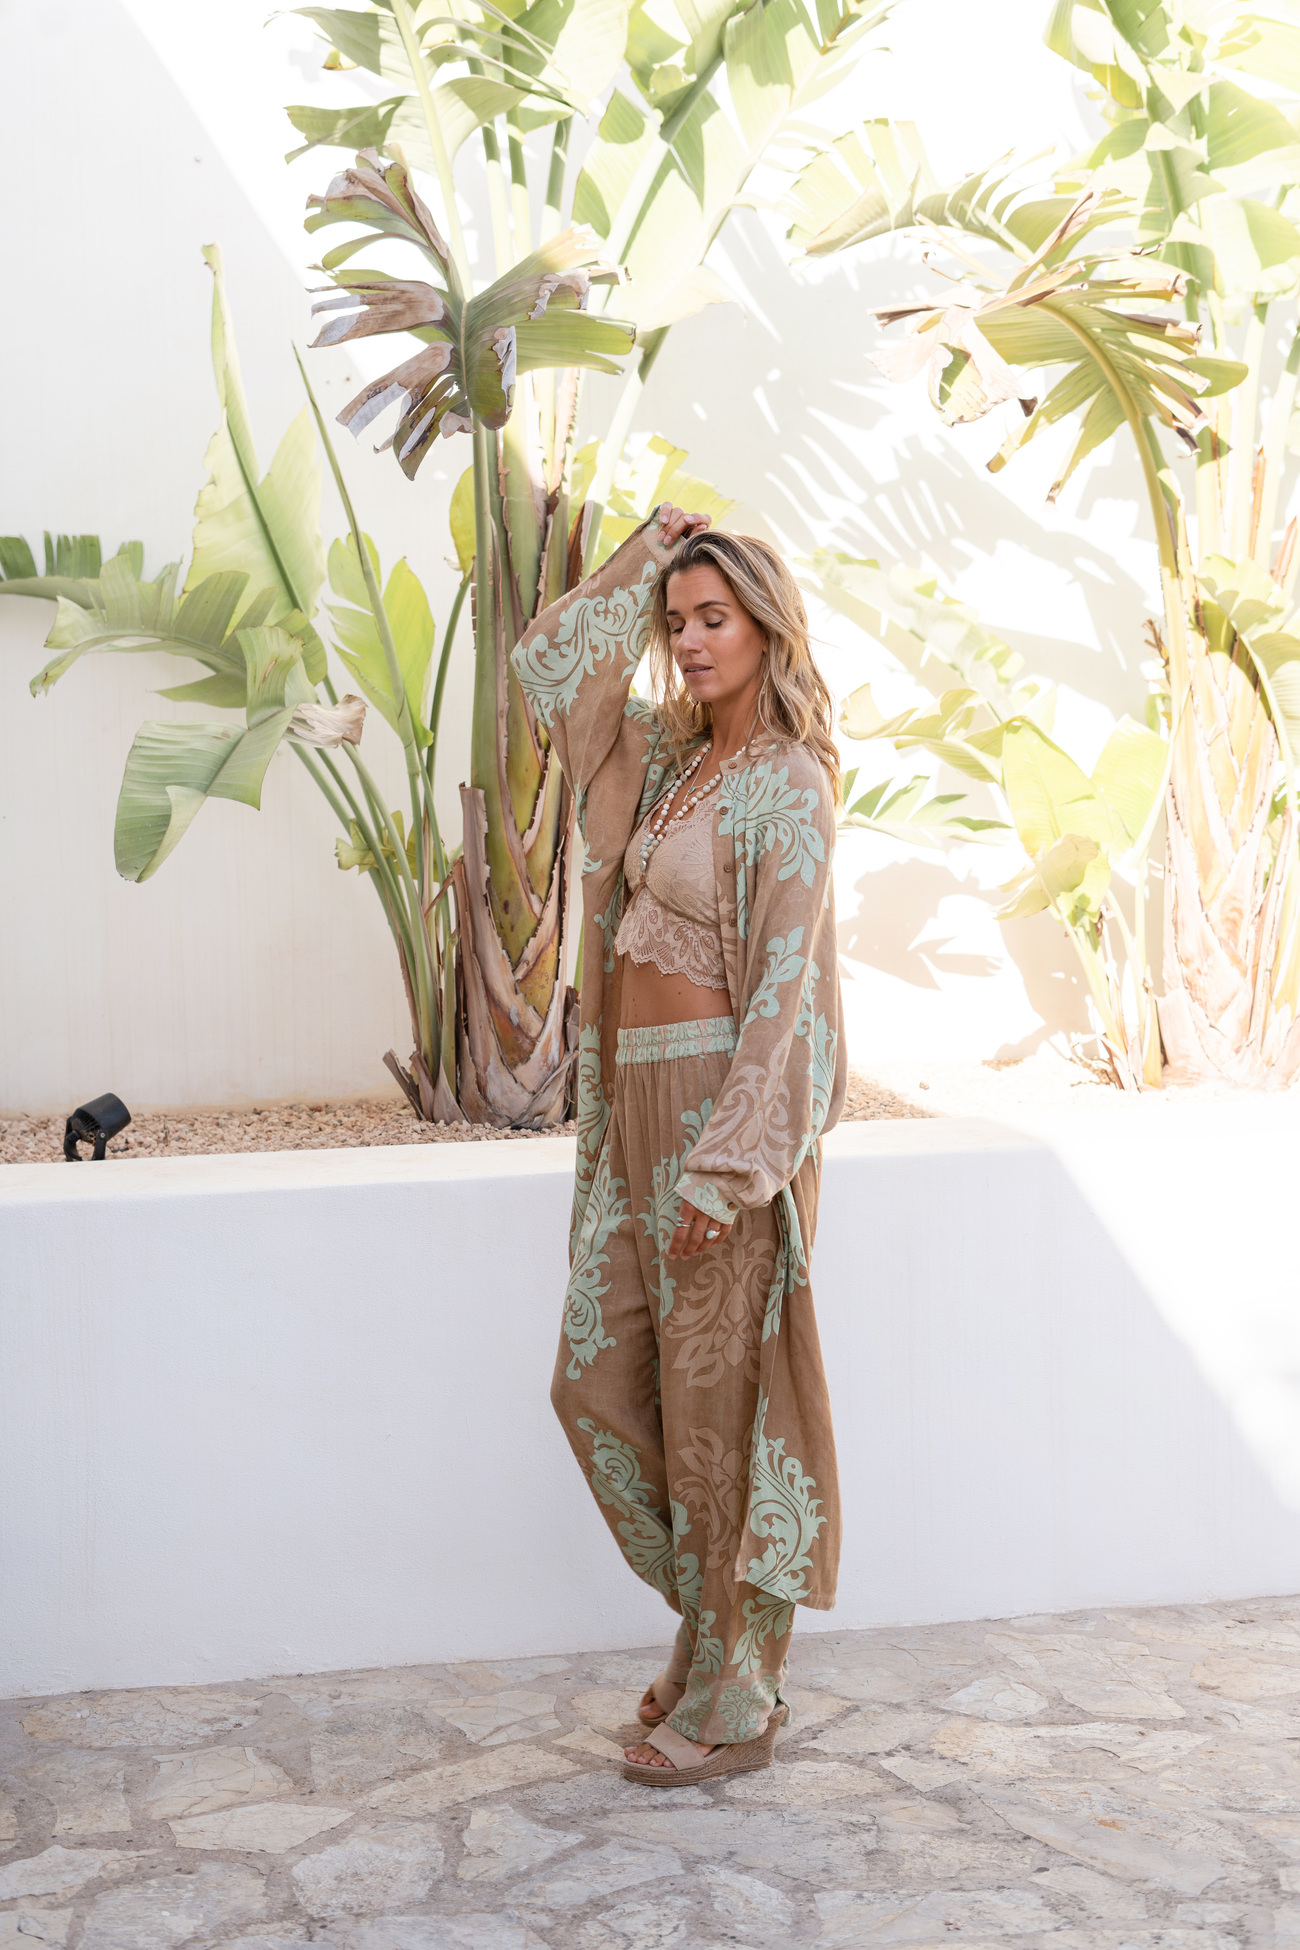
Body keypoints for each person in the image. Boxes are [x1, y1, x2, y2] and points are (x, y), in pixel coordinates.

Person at [512, 504, 846, 1785]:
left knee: (719, 1417)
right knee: (596, 1383)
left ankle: (735, 1690)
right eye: (677, 622)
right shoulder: (660, 757)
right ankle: (712, 1629)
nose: (691, 641)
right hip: (630, 1113)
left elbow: (785, 993)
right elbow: (550, 669)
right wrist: (643, 554)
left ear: (766, 626)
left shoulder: (787, 782)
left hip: (718, 1114)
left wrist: (733, 1161)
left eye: (715, 618)